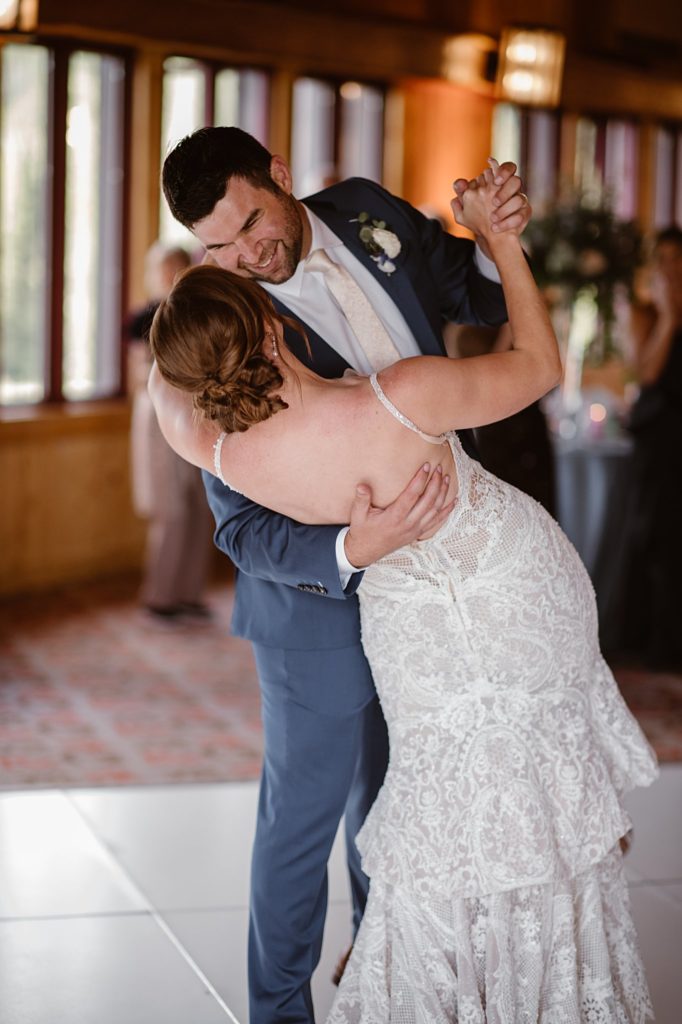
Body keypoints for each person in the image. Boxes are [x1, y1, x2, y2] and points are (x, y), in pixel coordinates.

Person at [148, 170, 657, 1022]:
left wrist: (495, 241)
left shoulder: (358, 222)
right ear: (268, 332)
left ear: (280, 178)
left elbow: (466, 289)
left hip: (427, 606)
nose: (243, 257)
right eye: (218, 249)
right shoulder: (389, 390)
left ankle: (421, 972)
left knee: (421, 795)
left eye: (248, 227)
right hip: (343, 597)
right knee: (310, 821)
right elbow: (241, 534)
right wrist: (354, 546)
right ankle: (290, 1010)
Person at [600, 226, 682, 669]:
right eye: (663, 258)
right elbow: (645, 374)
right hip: (657, 442)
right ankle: (657, 641)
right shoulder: (644, 313)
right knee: (655, 534)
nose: (670, 267)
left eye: (677, 258)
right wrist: (670, 318)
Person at [126, 242, 214, 619]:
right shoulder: (143, 317)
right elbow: (136, 375)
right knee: (171, 509)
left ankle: (190, 593)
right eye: (164, 271)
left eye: (177, 269)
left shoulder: (198, 314)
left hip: (197, 413)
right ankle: (160, 596)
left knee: (201, 506)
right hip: (158, 414)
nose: (170, 278)